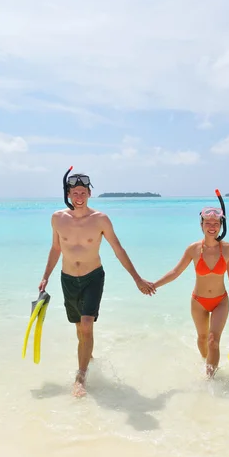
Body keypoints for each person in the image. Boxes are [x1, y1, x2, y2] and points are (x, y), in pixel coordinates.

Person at [38, 169, 156, 397]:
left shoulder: (100, 219)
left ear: (89, 193)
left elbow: (118, 249)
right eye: (75, 192)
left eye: (83, 192)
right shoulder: (57, 218)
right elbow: (55, 248)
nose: (79, 196)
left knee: (86, 323)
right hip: (68, 278)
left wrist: (137, 279)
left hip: (93, 277)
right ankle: (88, 357)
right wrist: (46, 276)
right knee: (79, 328)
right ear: (69, 194)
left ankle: (80, 376)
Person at [154, 204, 229, 378]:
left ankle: (210, 382)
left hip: (220, 301)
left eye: (216, 223)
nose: (212, 227)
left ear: (221, 225)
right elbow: (175, 272)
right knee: (203, 339)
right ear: (201, 225)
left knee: (213, 342)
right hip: (199, 302)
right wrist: (154, 285)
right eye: (208, 223)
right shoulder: (193, 249)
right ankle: (206, 362)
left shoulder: (227, 249)